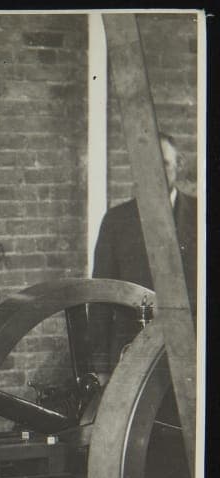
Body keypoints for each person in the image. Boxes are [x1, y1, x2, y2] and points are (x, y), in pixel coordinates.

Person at [90, 132, 197, 375]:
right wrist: (102, 368)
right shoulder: (116, 221)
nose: (156, 172)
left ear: (179, 165)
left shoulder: (202, 216)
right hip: (132, 356)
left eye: (165, 163)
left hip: (192, 354)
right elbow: (100, 299)